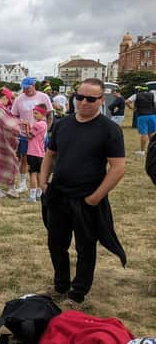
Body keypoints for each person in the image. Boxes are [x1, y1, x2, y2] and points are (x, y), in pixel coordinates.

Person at [39, 78, 126, 307]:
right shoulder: (62, 124)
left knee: (85, 246)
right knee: (56, 243)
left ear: (101, 100)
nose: (84, 103)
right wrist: (43, 181)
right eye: (79, 97)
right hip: (58, 195)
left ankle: (78, 292)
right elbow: (50, 154)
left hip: (87, 198)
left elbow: (118, 168)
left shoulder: (109, 130)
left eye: (90, 99)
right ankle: (61, 285)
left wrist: (95, 198)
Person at [11, 77, 53, 193]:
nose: (25, 90)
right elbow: (14, 115)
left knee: (42, 159)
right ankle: (23, 183)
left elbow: (50, 115)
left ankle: (42, 183)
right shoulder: (19, 99)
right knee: (24, 158)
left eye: (28, 88)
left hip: (41, 135)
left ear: (34, 85)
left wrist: (47, 130)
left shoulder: (43, 97)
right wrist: (18, 128)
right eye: (24, 88)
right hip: (24, 135)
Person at [24, 104, 48, 203]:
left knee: (32, 174)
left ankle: (32, 196)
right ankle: (39, 194)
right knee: (39, 174)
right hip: (41, 153)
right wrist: (29, 126)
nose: (34, 115)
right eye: (33, 113)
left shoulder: (38, 124)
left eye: (36, 113)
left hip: (33, 153)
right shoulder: (44, 124)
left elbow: (29, 136)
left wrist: (26, 126)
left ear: (42, 113)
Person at [125, 86, 156, 155]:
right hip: (153, 115)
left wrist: (132, 108)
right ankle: (153, 149)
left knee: (144, 133)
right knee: (152, 133)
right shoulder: (153, 95)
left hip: (142, 116)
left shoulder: (136, 95)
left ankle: (142, 151)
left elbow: (127, 101)